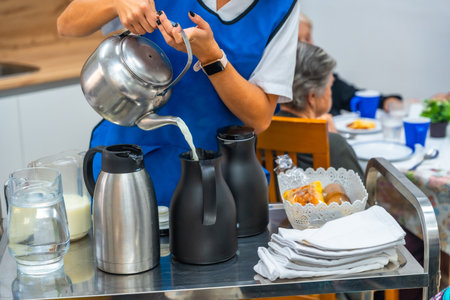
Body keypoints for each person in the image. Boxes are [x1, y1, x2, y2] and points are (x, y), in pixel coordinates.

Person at [57, 0, 301, 207]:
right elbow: (67, 24)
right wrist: (116, 3)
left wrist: (211, 57)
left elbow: (259, 117)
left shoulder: (281, 7)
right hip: (129, 179)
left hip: (215, 187)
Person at [277, 42, 364, 178]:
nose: (330, 93)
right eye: (330, 86)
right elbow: (362, 196)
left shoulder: (261, 130)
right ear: (312, 97)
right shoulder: (331, 144)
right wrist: (333, 139)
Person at [298, 13, 403, 116]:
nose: (305, 45)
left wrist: (385, 101)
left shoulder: (324, 75)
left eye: (307, 38)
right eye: (297, 41)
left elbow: (353, 96)